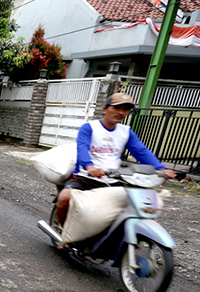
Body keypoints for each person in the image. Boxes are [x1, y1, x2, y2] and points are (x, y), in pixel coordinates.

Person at [55, 92, 174, 227]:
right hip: (86, 178)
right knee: (64, 197)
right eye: (117, 108)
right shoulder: (89, 128)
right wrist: (90, 167)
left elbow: (141, 152)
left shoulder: (126, 131)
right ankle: (63, 231)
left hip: (115, 179)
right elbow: (82, 149)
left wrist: (161, 169)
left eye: (125, 109)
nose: (121, 112)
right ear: (105, 109)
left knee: (139, 205)